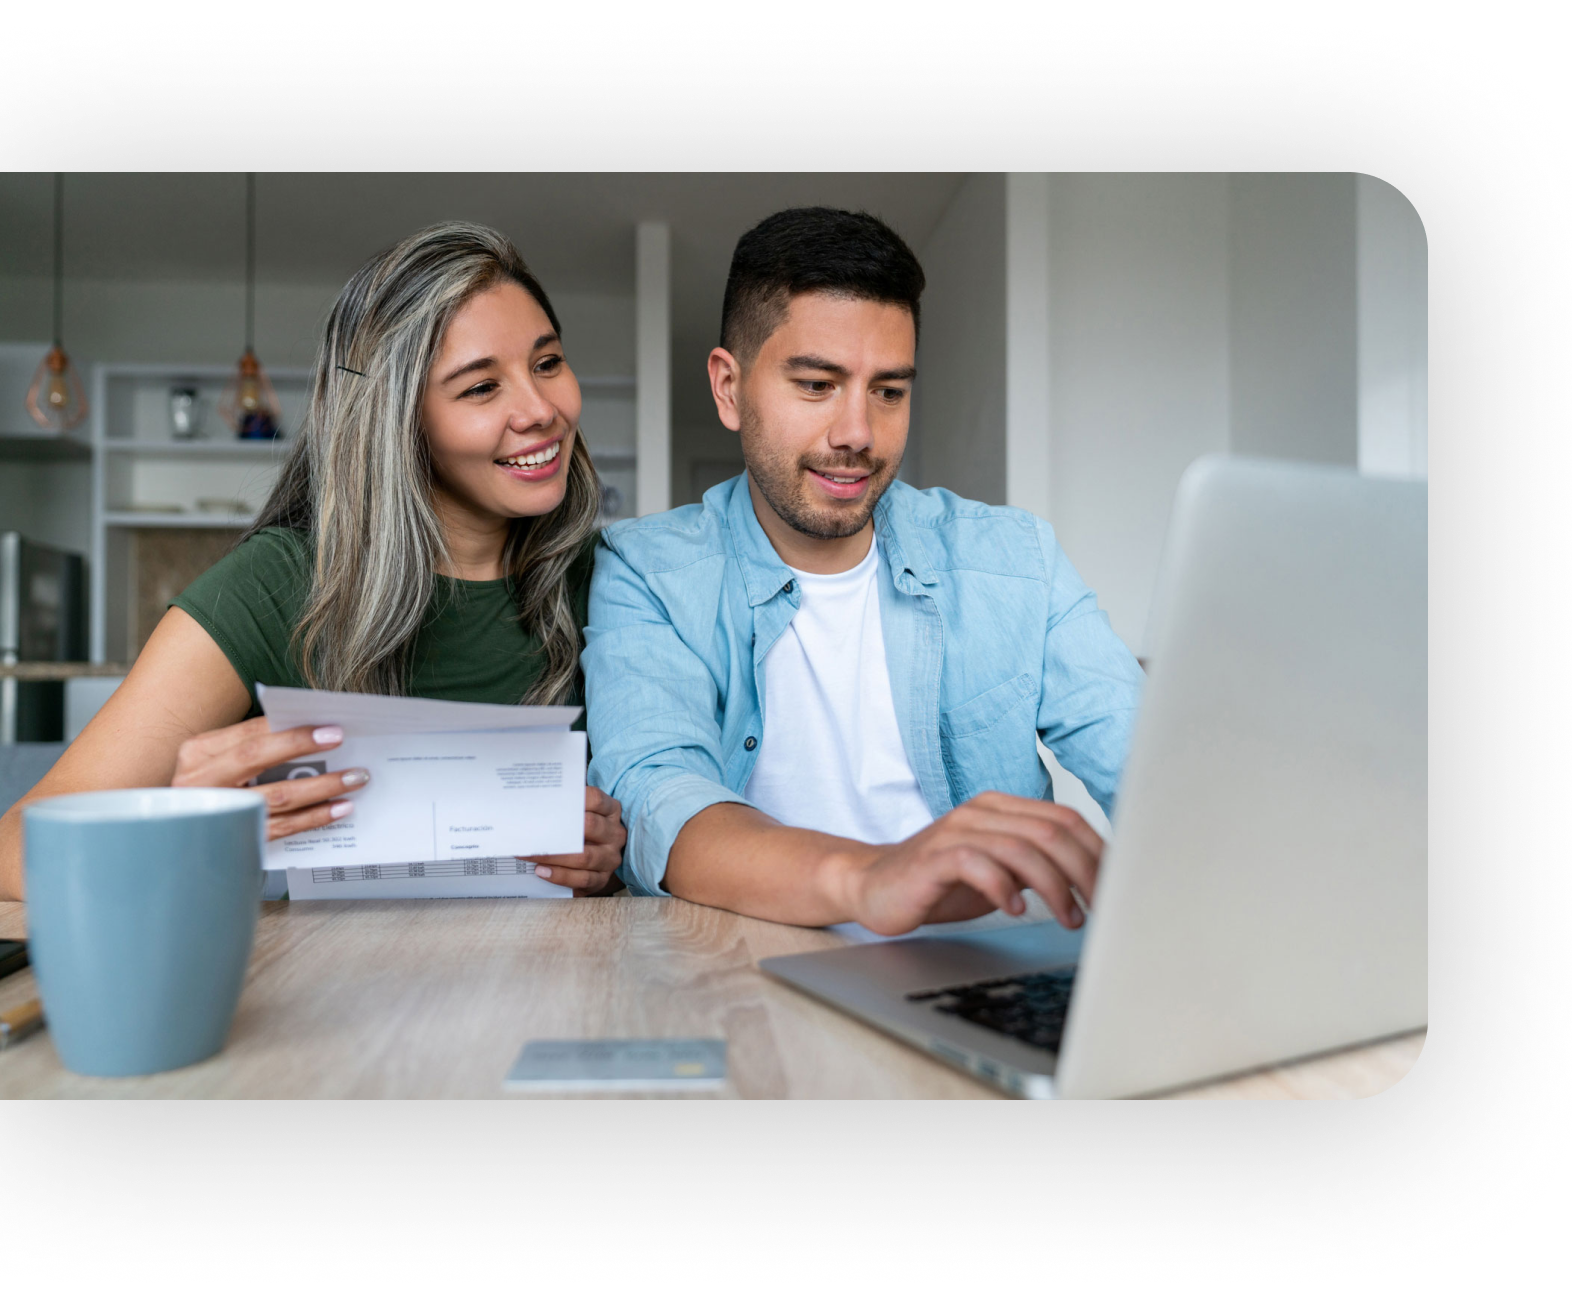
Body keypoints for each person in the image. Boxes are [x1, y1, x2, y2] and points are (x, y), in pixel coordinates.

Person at [0, 222, 626, 901]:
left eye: (547, 363)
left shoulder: (619, 582)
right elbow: (13, 855)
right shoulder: (272, 589)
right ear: (392, 423)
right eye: (480, 388)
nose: (542, 411)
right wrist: (179, 831)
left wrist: (616, 857)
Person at [582, 207, 1142, 935]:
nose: (858, 435)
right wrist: (870, 876)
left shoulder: (1014, 560)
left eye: (889, 391)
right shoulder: (647, 570)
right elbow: (660, 799)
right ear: (729, 388)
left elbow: (1153, 767)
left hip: (991, 967)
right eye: (817, 385)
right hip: (758, 970)